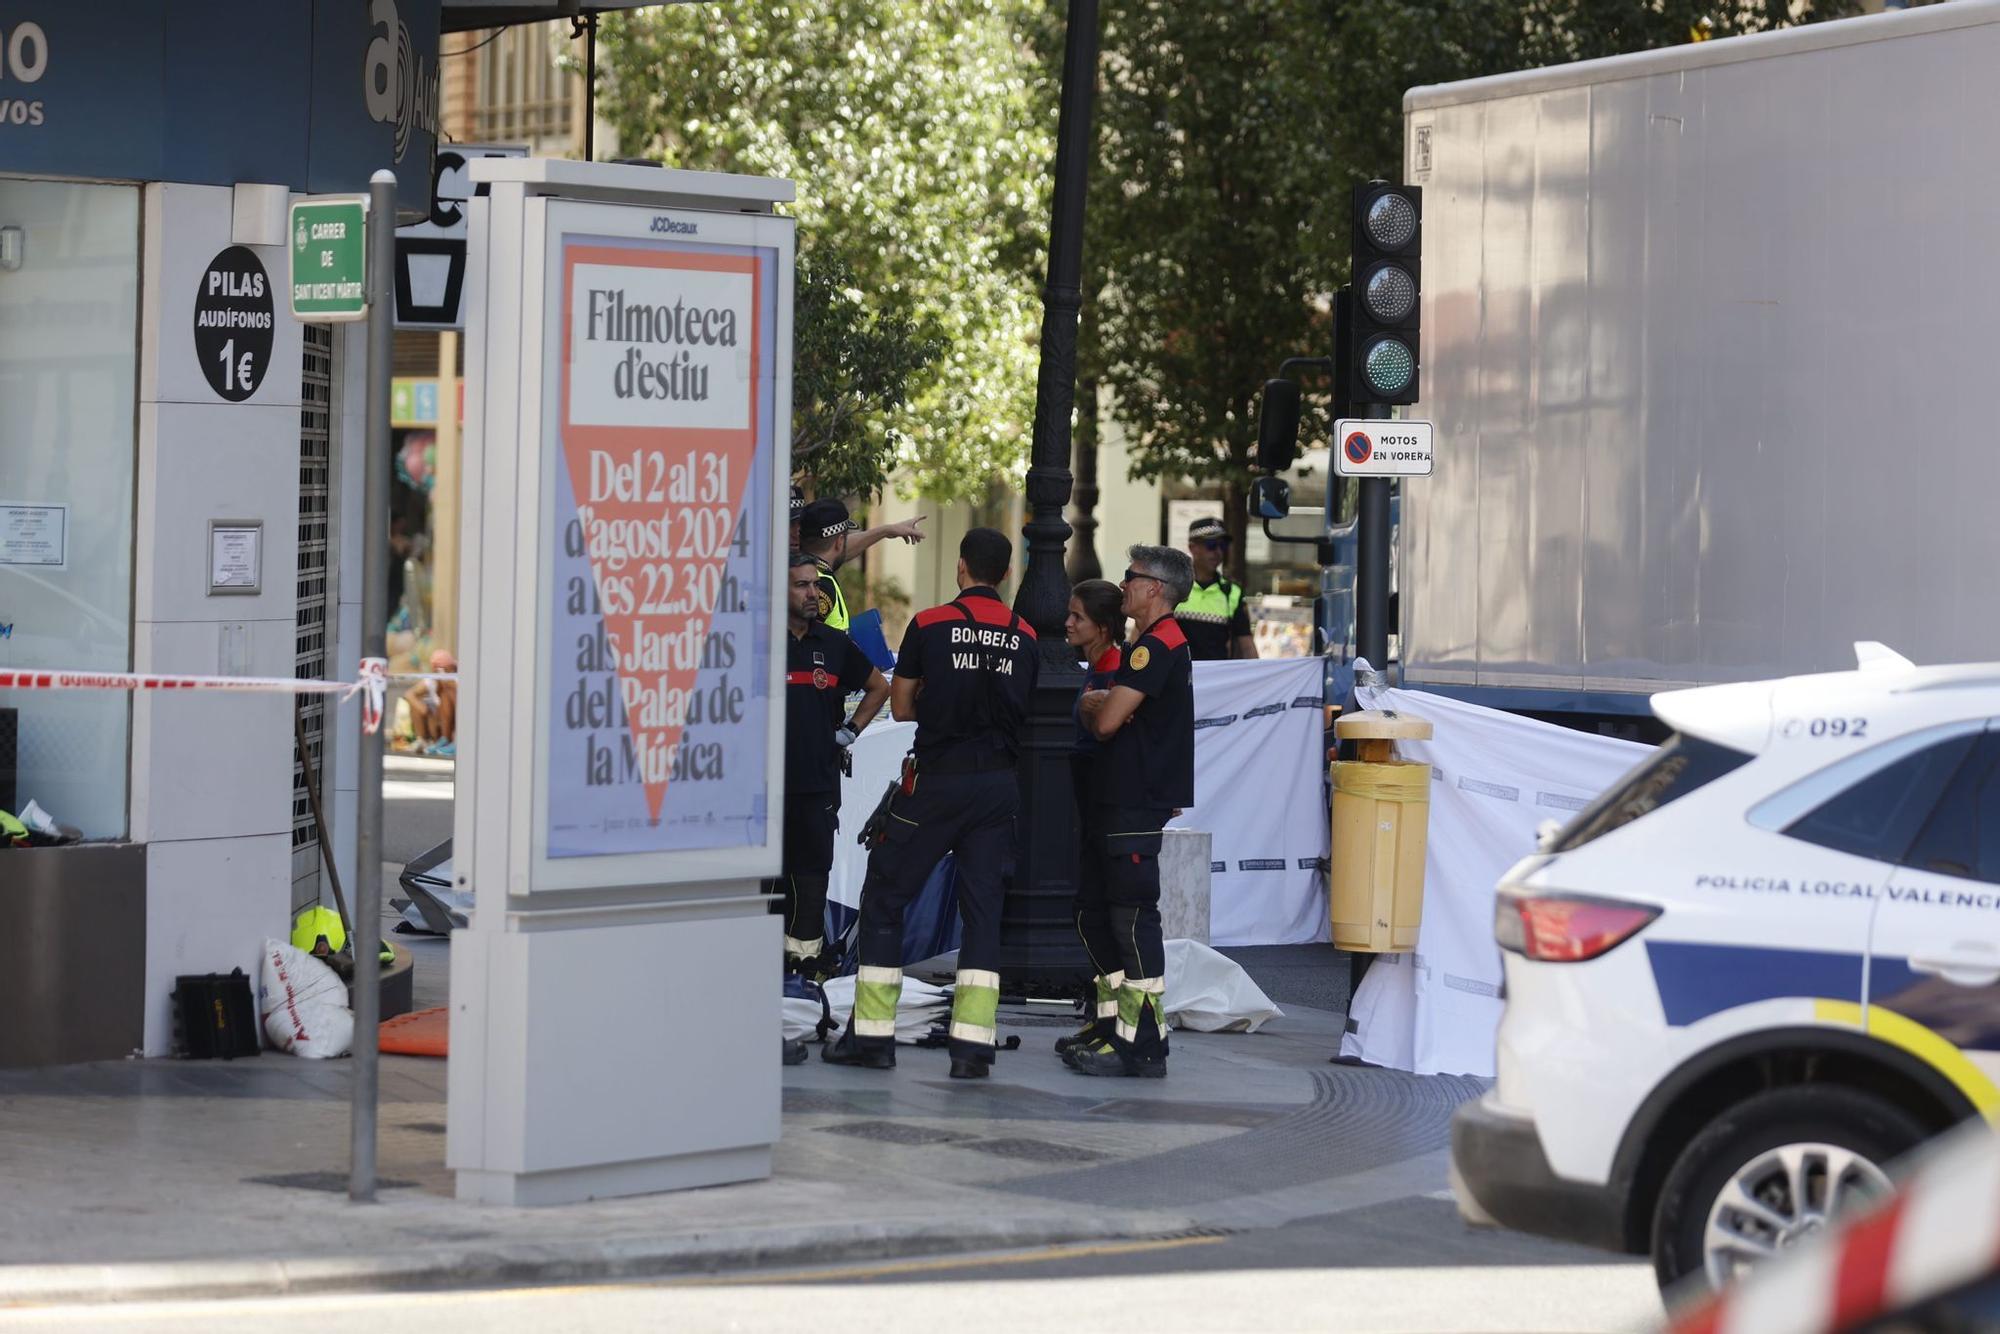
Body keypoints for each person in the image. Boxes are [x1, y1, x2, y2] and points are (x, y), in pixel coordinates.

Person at [823, 527, 1038, 1080]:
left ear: (961, 567)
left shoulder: (931, 625)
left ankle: (872, 1038)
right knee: (984, 912)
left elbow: (902, 706)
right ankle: (972, 1049)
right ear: (1006, 574)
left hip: (937, 781)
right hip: (997, 787)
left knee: (886, 895)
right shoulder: (1026, 634)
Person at [1069, 544, 1197, 1078]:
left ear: (1154, 589)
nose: (1123, 585)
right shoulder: (1146, 645)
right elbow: (1104, 713)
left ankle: (1144, 1041)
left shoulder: (1156, 647)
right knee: (1098, 914)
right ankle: (1111, 1028)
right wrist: (1094, 705)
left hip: (1135, 800)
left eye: (1131, 577)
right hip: (1120, 797)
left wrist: (1093, 705)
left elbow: (1105, 721)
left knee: (1132, 919)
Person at [775, 551, 890, 975]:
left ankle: (803, 966)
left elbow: (879, 687)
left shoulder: (835, 645)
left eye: (815, 585)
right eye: (801, 585)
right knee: (768, 879)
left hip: (818, 783)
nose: (812, 593)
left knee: (811, 876)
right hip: (765, 786)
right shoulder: (757, 640)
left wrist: (850, 731)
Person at [1053, 579, 1129, 1061]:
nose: (1067, 622)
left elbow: (1112, 732)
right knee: (1091, 913)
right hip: (1091, 800)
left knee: (1102, 913)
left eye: (1077, 616)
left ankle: (1119, 1023)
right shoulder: (1099, 668)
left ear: (1101, 627)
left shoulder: (1117, 670)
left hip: (1106, 802)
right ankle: (1103, 1018)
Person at [797, 497, 927, 632]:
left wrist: (887, 530)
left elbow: (836, 549)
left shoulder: (797, 569)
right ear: (840, 542)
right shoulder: (820, 584)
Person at [1176, 516, 1256, 660]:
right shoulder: (1174, 587)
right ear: (1192, 547)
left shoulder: (1232, 593)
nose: (1218, 551)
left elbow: (1247, 646)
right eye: (1211, 545)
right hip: (1175, 679)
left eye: (1223, 545)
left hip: (1217, 680)